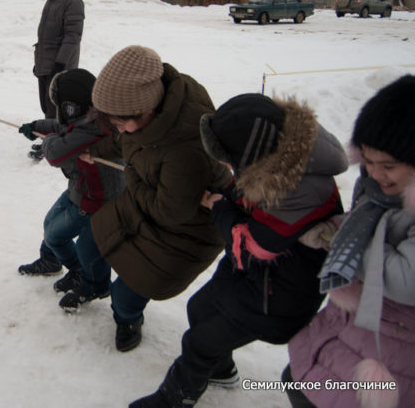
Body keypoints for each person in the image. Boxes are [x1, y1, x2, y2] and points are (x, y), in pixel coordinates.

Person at [129, 93, 349, 408]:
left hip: (279, 298)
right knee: (199, 309)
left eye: (228, 158)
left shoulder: (295, 193)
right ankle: (221, 369)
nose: (222, 164)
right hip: (258, 277)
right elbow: (248, 197)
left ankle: (175, 398)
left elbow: (250, 248)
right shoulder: (277, 160)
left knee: (199, 342)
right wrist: (226, 197)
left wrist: (220, 208)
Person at [60, 46, 231, 353]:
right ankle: (92, 285)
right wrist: (96, 152)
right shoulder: (155, 104)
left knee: (128, 290)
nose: (117, 129)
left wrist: (132, 175)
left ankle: (127, 319)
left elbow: (168, 212)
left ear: (145, 109)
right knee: (90, 244)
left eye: (120, 121)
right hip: (152, 199)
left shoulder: (185, 150)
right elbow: (126, 139)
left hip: (185, 230)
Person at [286, 75, 415, 408]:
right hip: (347, 327)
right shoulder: (379, 190)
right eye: (368, 162)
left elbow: (404, 278)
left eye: (388, 165)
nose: (374, 174)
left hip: (392, 354)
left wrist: (346, 237)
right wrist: (336, 227)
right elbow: (364, 224)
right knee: (297, 380)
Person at [16, 69, 125, 292]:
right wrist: (36, 126)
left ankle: (78, 272)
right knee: (50, 223)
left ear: (70, 105)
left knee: (55, 237)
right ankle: (51, 261)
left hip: (95, 200)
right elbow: (63, 128)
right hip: (80, 188)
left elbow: (55, 154)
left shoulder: (91, 130)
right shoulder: (89, 116)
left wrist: (49, 139)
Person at [30, 0, 84, 159]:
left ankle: (55, 144)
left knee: (56, 107)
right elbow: (45, 37)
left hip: (60, 64)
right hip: (45, 63)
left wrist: (60, 64)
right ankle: (50, 140)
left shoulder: (72, 1)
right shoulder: (51, 0)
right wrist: (39, 61)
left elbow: (73, 36)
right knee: (46, 105)